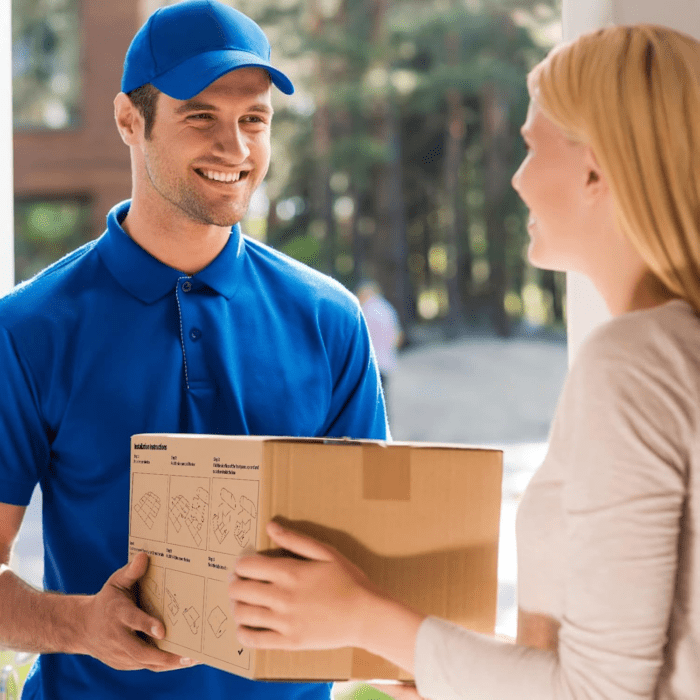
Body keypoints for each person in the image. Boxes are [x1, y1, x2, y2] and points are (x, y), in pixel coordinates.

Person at [229, 24, 700, 699]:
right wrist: (448, 668)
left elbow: (599, 694)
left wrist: (361, 614)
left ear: (597, 169)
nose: (516, 177)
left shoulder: (633, 364)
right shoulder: (676, 349)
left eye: (532, 147)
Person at [0, 2, 387, 699]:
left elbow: (370, 565)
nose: (235, 148)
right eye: (200, 117)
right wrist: (81, 625)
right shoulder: (30, 327)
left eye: (254, 119)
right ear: (129, 120)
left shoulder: (329, 319)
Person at [356, 281, 403, 412]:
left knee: (369, 406)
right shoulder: (387, 308)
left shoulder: (365, 311)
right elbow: (398, 336)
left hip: (370, 364)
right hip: (386, 362)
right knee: (382, 401)